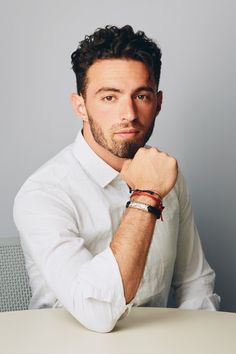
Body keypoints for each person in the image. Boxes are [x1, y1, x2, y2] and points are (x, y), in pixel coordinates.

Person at [13, 25, 220, 333]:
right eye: (109, 97)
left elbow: (195, 285)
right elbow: (97, 314)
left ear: (158, 103)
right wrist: (146, 197)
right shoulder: (43, 193)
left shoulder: (169, 176)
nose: (129, 113)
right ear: (80, 106)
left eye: (142, 95)